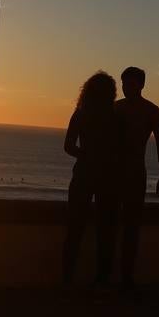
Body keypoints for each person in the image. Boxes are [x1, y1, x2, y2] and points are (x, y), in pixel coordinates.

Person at [112, 66, 159, 295]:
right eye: (124, 83)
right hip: (114, 174)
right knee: (111, 225)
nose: (126, 87)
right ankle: (108, 276)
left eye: (131, 83)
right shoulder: (115, 108)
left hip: (136, 174)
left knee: (131, 228)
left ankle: (127, 277)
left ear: (141, 85)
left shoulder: (151, 111)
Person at [61, 71, 120, 287]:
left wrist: (85, 154)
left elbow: (68, 146)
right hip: (107, 177)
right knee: (105, 232)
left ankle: (67, 281)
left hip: (84, 174)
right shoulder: (115, 117)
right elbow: (120, 150)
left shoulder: (80, 113)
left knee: (74, 230)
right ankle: (101, 282)